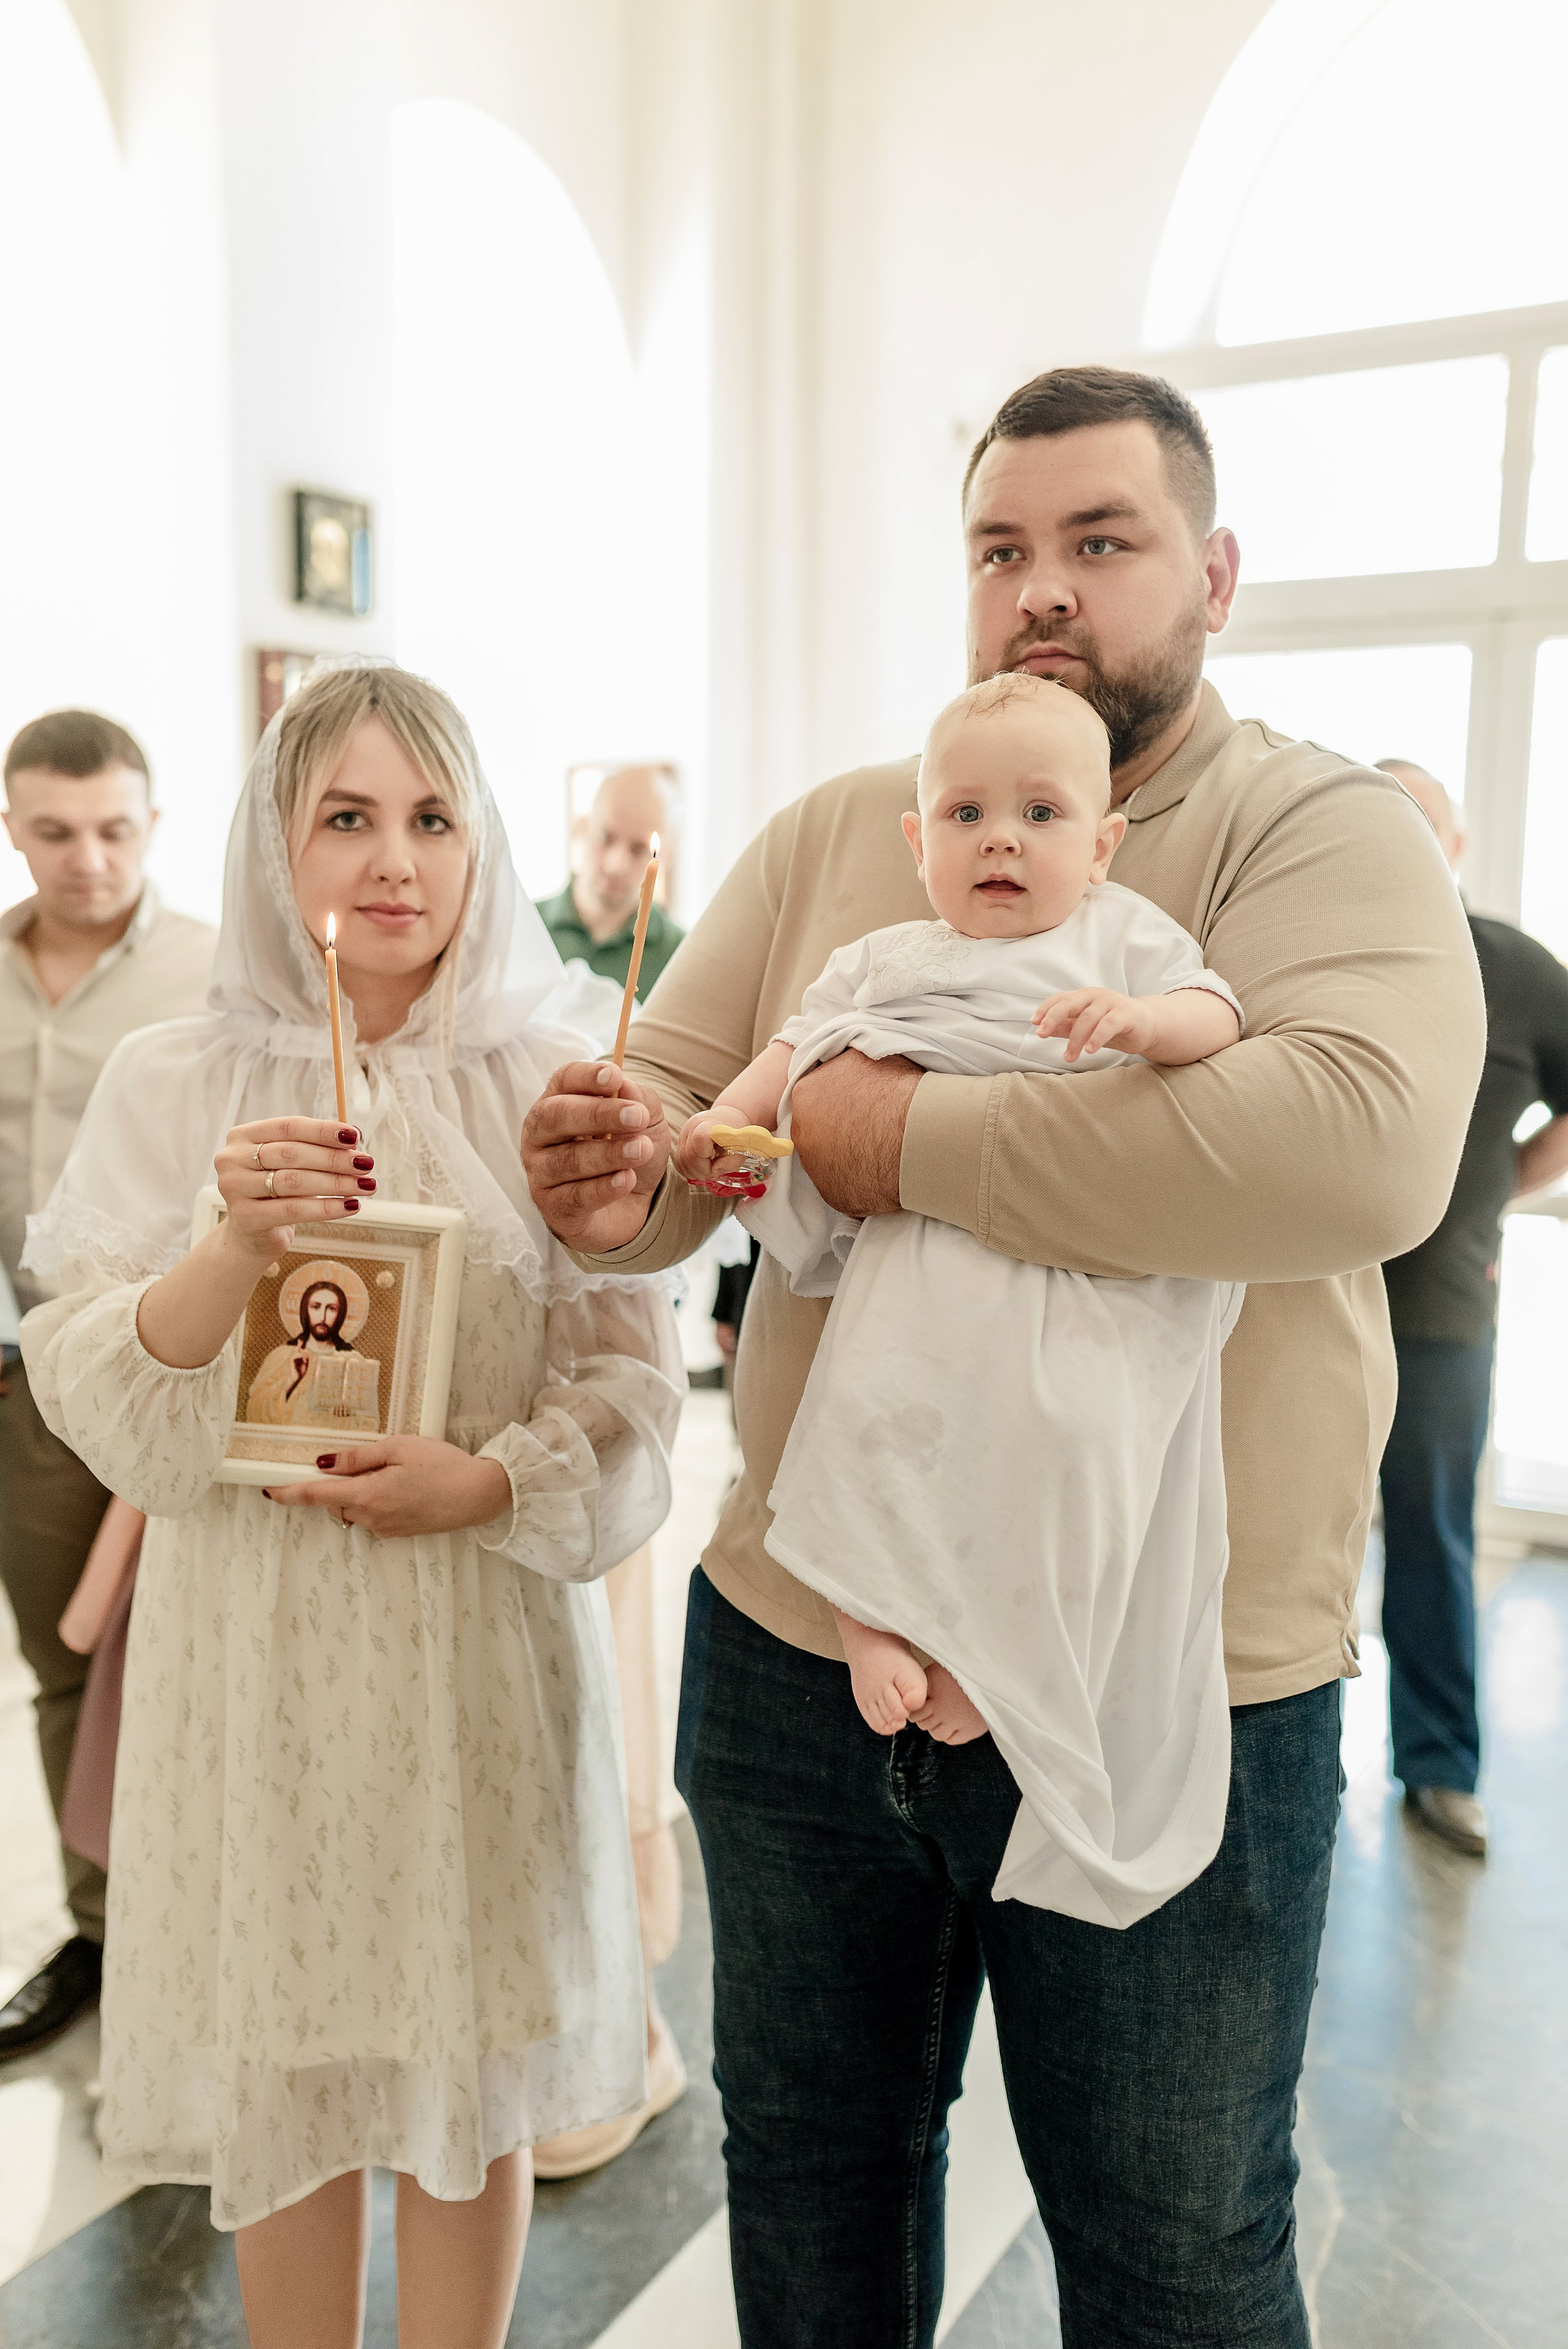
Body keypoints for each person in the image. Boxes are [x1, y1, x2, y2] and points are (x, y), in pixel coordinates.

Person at [520, 365, 1485, 2349]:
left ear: (1211, 573)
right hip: (810, 1642)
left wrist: (895, 1138)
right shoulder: (836, 841)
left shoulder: (1322, 835)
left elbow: (1349, 1146)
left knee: (1171, 2242)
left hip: (1169, 1664)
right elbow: (689, 1123)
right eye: (1001, 549)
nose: (1044, 588)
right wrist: (608, 1168)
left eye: (1103, 544)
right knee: (811, 2171)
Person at [20, 661, 684, 2349]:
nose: (395, 859)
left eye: (434, 817)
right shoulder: (180, 1079)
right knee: (294, 2067)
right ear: (274, 844)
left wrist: (487, 1479)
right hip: (262, 1654)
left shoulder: (554, 1077)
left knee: (476, 2079)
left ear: (481, 842)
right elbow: (97, 1375)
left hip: (475, 1650)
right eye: (348, 817)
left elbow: (627, 1383)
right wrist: (230, 1247)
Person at [675, 675, 1245, 1926]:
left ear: (1098, 845)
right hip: (917, 1276)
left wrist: (1141, 1023)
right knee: (860, 1426)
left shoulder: (1123, 939)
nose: (1001, 838)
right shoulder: (885, 957)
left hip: (1066, 1290)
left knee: (1068, 1466)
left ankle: (1004, 1660)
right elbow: (793, 1051)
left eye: (1041, 813)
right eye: (967, 812)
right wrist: (731, 1119)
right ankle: (869, 1621)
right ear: (917, 840)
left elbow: (1218, 1017)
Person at [0, 709, 214, 2064]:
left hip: (136, 1373)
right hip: (12, 1366)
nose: (87, 859)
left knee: (143, 1661)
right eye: (54, 831)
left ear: (152, 823)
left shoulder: (205, 973)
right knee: (51, 1662)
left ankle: (173, 1939)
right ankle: (102, 1930)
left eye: (114, 830)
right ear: (15, 828)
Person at [533, 761, 690, 2178]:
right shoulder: (513, 944)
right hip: (501, 1386)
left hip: (608, 1372)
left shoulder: (689, 969)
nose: (623, 861)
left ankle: (627, 2026)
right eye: (608, 836)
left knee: (612, 1697)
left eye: (650, 844)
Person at [1374, 759, 1568, 1858]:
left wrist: (1505, 1186)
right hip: (1295, 1308)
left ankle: (1439, 1766)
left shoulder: (1516, 971)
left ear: (1452, 848)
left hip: (1442, 1313)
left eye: (1419, 826)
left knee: (1432, 1538)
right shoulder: (1308, 950)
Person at [537, 764, 685, 992]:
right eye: (606, 837)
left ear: (667, 857)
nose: (616, 864)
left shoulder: (682, 957)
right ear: (583, 828)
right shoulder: (521, 926)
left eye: (638, 849)